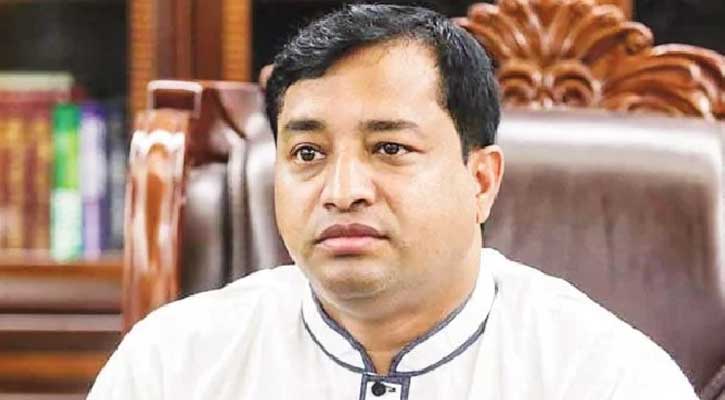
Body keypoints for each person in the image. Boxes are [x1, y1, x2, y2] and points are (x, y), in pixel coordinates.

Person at [88, 4, 696, 399]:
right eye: (307, 153)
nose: (342, 191)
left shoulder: (605, 376)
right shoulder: (172, 365)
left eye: (390, 148)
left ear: (481, 181)